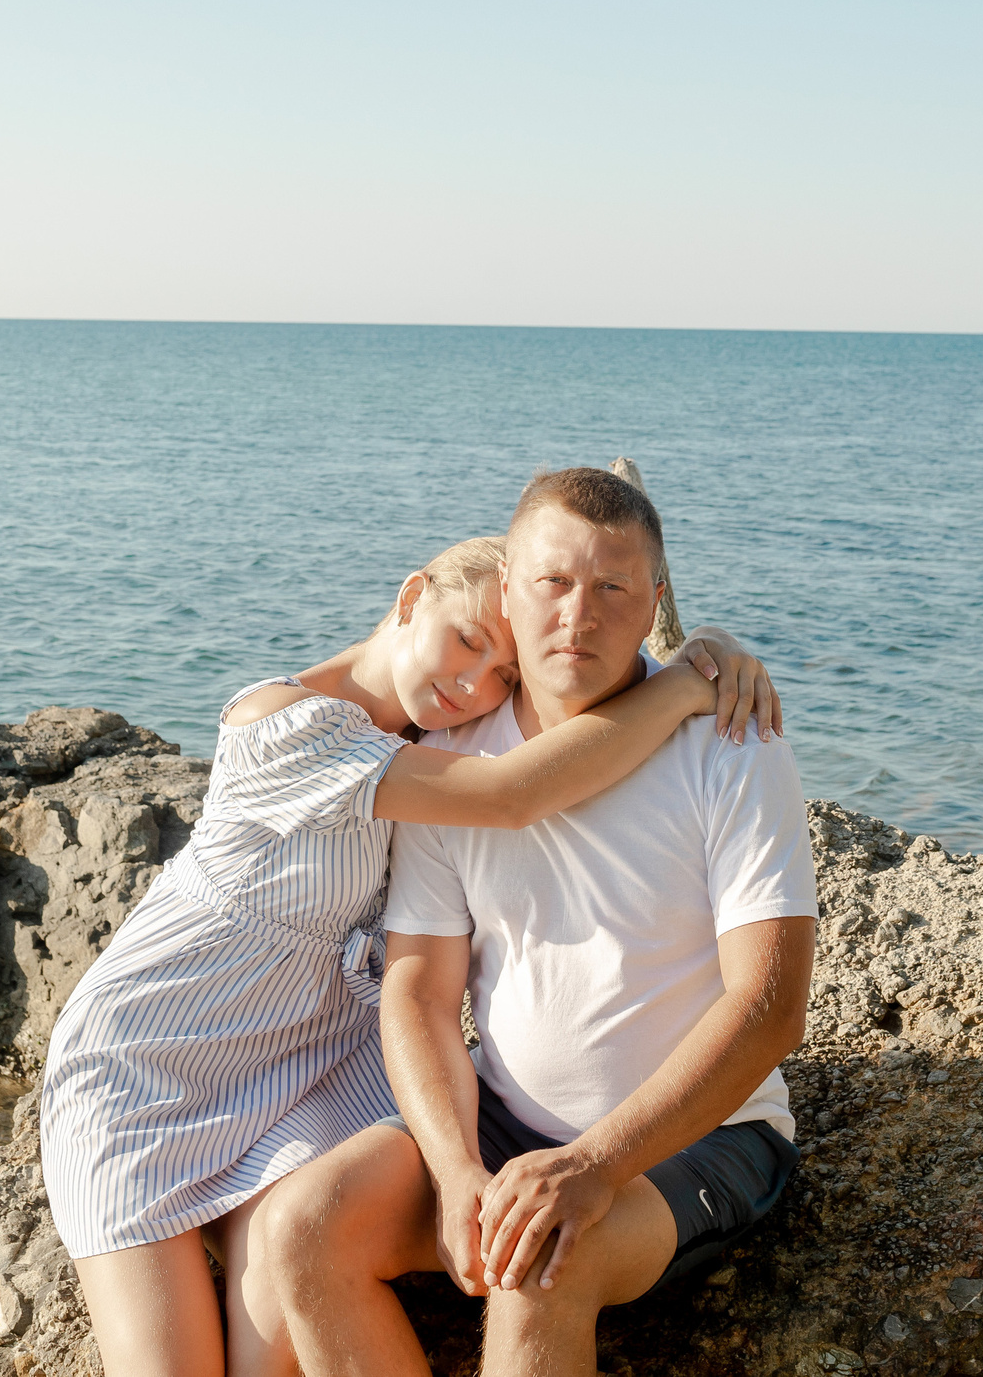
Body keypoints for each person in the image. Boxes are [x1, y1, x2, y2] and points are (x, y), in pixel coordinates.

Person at [39, 530, 785, 1377]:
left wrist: (705, 646)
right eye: (466, 638)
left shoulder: (432, 750)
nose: (474, 683)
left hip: (311, 1068)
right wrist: (684, 682)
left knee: (281, 1317)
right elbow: (514, 793)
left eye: (503, 674)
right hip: (148, 1062)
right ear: (410, 597)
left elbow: (557, 712)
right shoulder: (282, 721)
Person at [257, 469, 817, 1377]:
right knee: (305, 1223)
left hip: (704, 1138)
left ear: (655, 604)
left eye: (612, 587)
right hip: (504, 1123)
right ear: (509, 590)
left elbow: (770, 1005)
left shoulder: (732, 742)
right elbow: (420, 991)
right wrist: (453, 1170)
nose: (578, 615)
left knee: (540, 1262)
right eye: (553, 582)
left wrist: (596, 1163)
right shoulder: (451, 763)